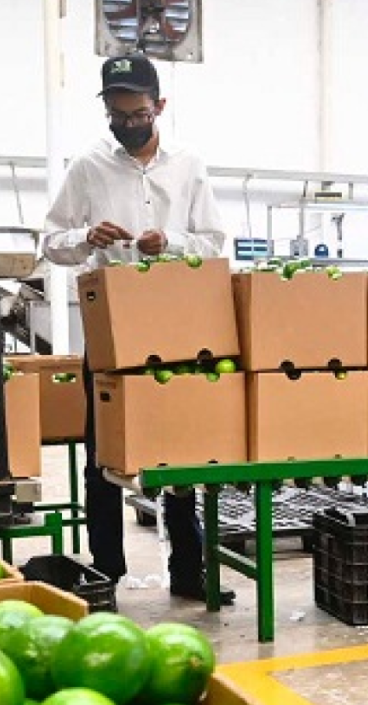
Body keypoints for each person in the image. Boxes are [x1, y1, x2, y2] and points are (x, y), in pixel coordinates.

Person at [42, 54, 234, 604]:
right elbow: (51, 242)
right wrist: (86, 238)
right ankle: (106, 573)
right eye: (117, 114)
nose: (127, 124)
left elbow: (213, 241)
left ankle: (189, 572)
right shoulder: (88, 167)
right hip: (111, 327)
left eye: (138, 114)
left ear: (159, 107)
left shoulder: (188, 165)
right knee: (103, 452)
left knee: (179, 448)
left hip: (175, 324)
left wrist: (168, 242)